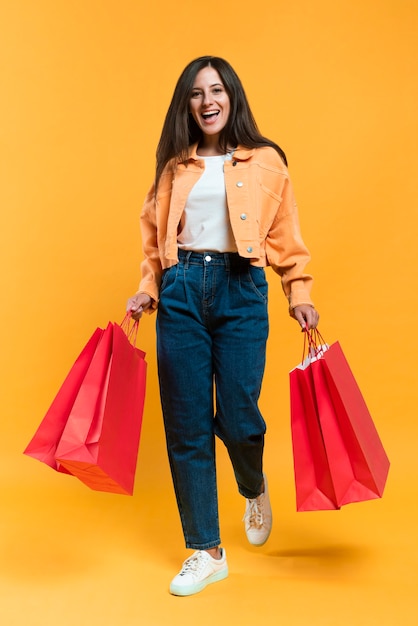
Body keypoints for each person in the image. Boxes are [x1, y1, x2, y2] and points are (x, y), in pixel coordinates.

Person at [127, 55, 319, 596]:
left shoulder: (266, 160)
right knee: (187, 424)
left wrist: (297, 291)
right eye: (195, 93)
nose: (207, 101)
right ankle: (207, 550)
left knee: (238, 417)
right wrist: (148, 290)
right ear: (185, 105)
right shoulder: (173, 166)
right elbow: (153, 237)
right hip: (182, 288)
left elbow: (285, 232)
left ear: (231, 97)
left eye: (216, 90)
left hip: (241, 289)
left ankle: (253, 485)